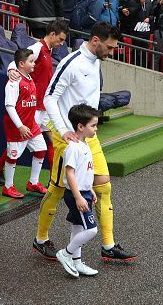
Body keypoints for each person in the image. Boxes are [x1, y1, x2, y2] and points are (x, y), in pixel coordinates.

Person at [33, 21, 136, 262]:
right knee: (58, 190)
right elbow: (49, 98)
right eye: (109, 48)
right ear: (96, 41)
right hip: (66, 138)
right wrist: (62, 130)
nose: (111, 52)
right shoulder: (71, 63)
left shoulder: (95, 61)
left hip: (88, 136)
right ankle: (40, 239)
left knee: (104, 186)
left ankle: (108, 245)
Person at [0, 19, 69, 184]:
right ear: (52, 34)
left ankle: (53, 179)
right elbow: (16, 62)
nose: (61, 44)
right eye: (61, 39)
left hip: (44, 106)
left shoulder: (48, 50)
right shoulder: (37, 48)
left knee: (51, 141)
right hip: (33, 107)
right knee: (21, 143)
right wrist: (11, 71)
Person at [0, 48, 47, 198]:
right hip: (17, 127)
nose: (34, 64)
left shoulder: (30, 79)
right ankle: (8, 187)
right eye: (31, 61)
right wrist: (20, 126)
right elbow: (9, 106)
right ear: (22, 64)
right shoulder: (13, 82)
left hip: (31, 125)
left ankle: (33, 183)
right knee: (12, 156)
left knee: (41, 150)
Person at [56, 103, 100, 278]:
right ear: (81, 127)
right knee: (91, 230)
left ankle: (77, 262)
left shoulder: (84, 144)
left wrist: (90, 190)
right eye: (93, 125)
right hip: (77, 195)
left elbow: (85, 171)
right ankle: (66, 254)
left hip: (84, 192)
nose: (96, 129)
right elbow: (70, 172)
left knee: (78, 227)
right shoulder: (74, 147)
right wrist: (79, 197)